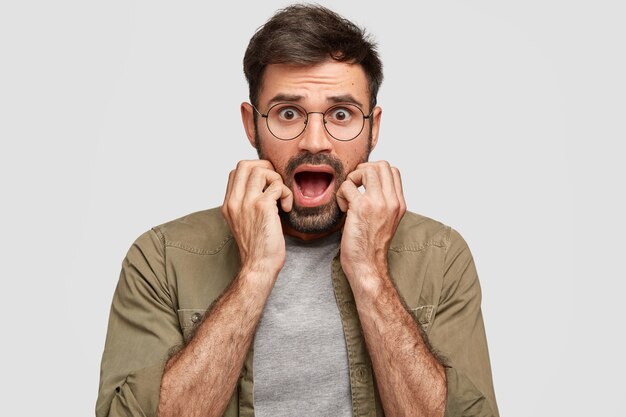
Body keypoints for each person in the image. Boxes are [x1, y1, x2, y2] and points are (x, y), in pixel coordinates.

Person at [96, 4, 498, 417]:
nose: (314, 141)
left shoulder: (440, 255)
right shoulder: (161, 257)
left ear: (373, 127)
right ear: (251, 124)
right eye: (288, 113)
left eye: (341, 114)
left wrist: (371, 274)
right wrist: (254, 274)